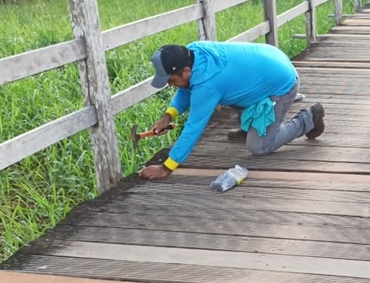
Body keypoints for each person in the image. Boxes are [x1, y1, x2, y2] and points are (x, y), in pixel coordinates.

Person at [139, 41, 325, 180]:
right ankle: (249, 126)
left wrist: (167, 166)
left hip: (282, 84)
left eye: (170, 80)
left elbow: (193, 127)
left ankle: (309, 118)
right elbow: (186, 89)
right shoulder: (193, 52)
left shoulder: (209, 83)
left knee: (259, 147)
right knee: (228, 91)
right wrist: (168, 115)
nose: (170, 85)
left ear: (186, 71)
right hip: (269, 63)